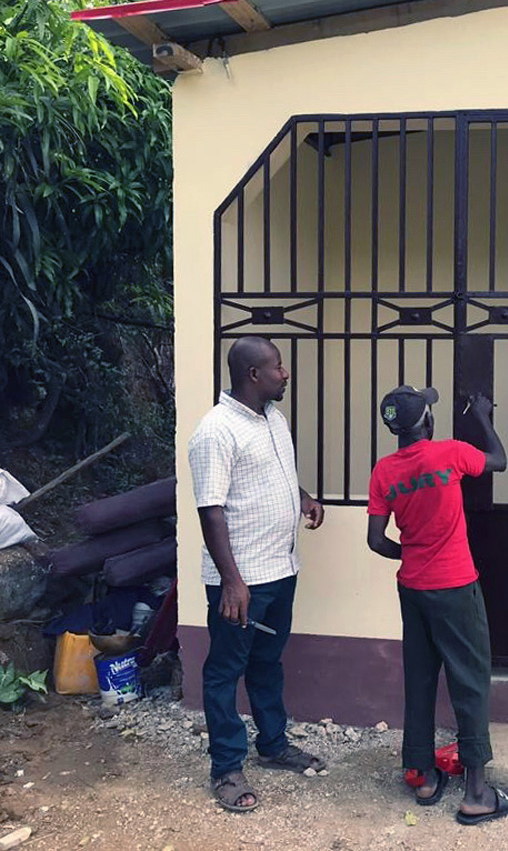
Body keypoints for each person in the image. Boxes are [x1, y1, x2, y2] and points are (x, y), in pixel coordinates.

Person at [366, 386, 508, 826]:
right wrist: (483, 417)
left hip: (412, 588)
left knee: (419, 677)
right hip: (455, 586)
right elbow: (499, 460)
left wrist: (413, 552)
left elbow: (376, 541)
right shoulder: (450, 454)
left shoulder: (384, 471)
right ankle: (476, 793)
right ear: (426, 422)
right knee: (469, 681)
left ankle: (422, 776)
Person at [187, 336, 326, 813]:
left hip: (280, 569)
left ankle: (273, 745)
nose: (284, 374)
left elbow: (274, 474)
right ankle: (226, 767)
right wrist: (231, 581)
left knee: (268, 662)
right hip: (241, 581)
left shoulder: (273, 418)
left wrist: (302, 497)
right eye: (277, 366)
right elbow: (211, 510)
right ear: (253, 374)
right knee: (225, 670)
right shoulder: (215, 432)